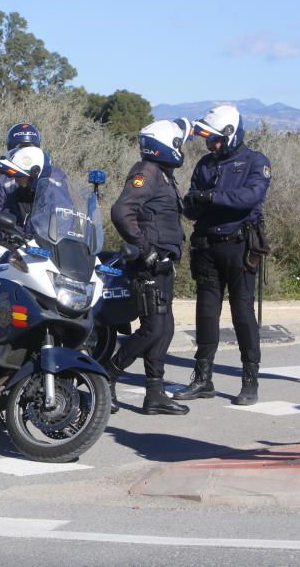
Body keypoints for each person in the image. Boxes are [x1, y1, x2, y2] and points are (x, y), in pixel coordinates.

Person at [173, 105, 271, 406]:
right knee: (206, 313)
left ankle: (250, 380)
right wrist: (193, 203)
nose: (211, 145)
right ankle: (203, 379)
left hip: (239, 246)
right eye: (209, 139)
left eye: (216, 139)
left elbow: (251, 196)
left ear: (231, 135)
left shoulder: (255, 161)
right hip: (207, 246)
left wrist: (212, 198)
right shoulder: (205, 164)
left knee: (242, 313)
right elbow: (192, 204)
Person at [103, 118, 192, 415]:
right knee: (153, 329)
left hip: (163, 265)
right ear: (164, 145)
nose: (180, 148)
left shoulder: (163, 174)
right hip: (148, 266)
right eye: (177, 143)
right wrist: (145, 249)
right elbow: (121, 211)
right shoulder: (147, 172)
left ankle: (154, 394)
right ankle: (107, 375)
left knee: (165, 329)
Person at [0, 123, 68, 226]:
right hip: (14, 231)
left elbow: (66, 211)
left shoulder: (56, 176)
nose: (16, 179)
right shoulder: (3, 178)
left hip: (47, 232)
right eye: (21, 149)